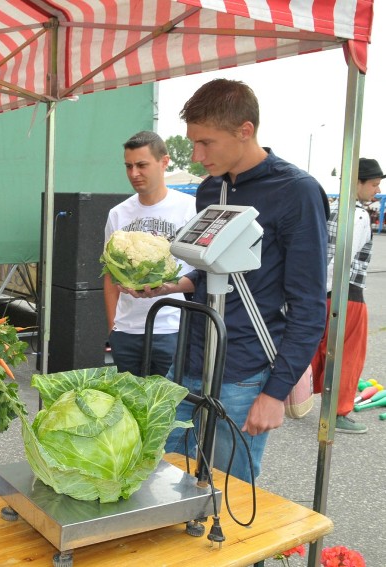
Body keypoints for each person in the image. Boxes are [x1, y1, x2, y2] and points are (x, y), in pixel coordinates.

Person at [125, 79, 329, 483]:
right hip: (187, 359)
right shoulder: (210, 190)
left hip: (243, 370)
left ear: (245, 131)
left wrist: (273, 393)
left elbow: (308, 305)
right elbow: (210, 270)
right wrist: (173, 286)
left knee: (228, 493)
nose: (197, 155)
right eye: (192, 143)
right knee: (160, 477)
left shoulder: (297, 192)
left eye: (206, 143)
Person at [104, 131, 196, 377]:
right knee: (131, 408)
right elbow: (109, 274)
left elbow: (201, 272)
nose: (134, 173)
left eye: (142, 165)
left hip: (172, 329)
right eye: (128, 166)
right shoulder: (118, 214)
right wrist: (113, 326)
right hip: (127, 332)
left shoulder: (190, 208)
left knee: (168, 407)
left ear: (164, 162)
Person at [310, 158, 383, 434]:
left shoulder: (333, 209)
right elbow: (342, 260)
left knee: (322, 350)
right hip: (347, 294)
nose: (376, 191)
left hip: (325, 293)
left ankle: (298, 398)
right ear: (358, 182)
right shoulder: (359, 214)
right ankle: (338, 412)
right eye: (374, 184)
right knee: (347, 356)